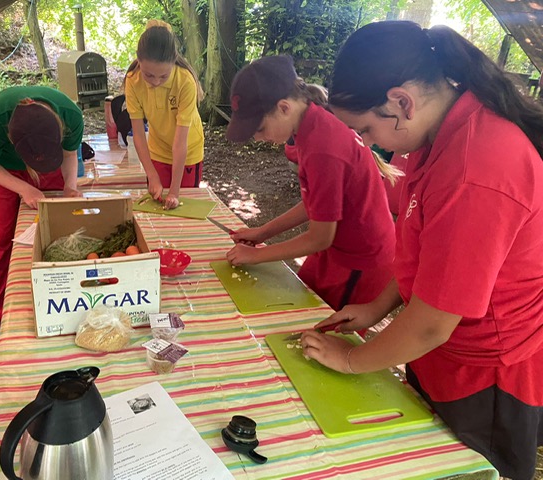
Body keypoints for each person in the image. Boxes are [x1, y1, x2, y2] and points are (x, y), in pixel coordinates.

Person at [300, 21, 543, 479]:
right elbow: (428, 253)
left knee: (472, 468)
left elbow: (433, 323)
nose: (366, 143)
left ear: (402, 102)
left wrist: (350, 358)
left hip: (485, 372)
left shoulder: (479, 167)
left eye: (367, 128)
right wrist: (378, 305)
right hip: (441, 353)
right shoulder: (437, 138)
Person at [225, 55, 399, 311]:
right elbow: (316, 206)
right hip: (335, 249)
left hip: (360, 260)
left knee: (321, 329)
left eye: (260, 129)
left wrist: (258, 255)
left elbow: (319, 238)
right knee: (297, 301)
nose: (259, 138)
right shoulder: (309, 126)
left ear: (284, 108)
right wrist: (262, 233)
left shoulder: (322, 146)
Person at [0, 86, 84, 359]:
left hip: (49, 166)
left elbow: (68, 156)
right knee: (0, 238)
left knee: (59, 226)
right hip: (3, 168)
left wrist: (70, 187)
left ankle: (64, 299)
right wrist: (23, 187)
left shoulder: (72, 115)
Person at [124, 20, 204, 210]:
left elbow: (180, 141)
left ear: (173, 62)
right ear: (138, 61)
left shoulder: (185, 81)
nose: (156, 82)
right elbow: (138, 135)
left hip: (188, 151)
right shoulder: (133, 80)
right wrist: (151, 174)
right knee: (156, 206)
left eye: (163, 76)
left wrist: (175, 191)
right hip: (157, 151)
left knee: (182, 209)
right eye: (149, 75)